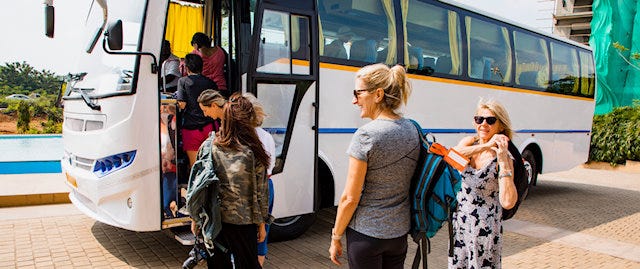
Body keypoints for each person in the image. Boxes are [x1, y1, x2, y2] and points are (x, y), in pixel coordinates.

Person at [329, 63, 419, 268]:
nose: (354, 100)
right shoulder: (411, 129)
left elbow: (350, 198)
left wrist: (336, 236)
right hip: (398, 235)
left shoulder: (367, 135)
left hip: (366, 235)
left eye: (358, 93)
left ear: (378, 95)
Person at [192, 92, 271, 269]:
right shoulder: (253, 150)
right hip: (243, 222)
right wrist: (262, 223)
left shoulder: (208, 145)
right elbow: (260, 193)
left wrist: (196, 219)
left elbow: (199, 187)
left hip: (214, 221)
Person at [448, 99, 518, 268]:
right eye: (479, 119)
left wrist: (502, 160)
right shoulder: (469, 143)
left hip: (485, 228)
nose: (483, 124)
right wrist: (485, 146)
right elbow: (451, 157)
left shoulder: (504, 157)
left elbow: (508, 202)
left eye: (490, 120)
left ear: (500, 125)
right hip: (462, 223)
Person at [243, 93, 276, 266]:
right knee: (261, 237)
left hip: (250, 189)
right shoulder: (266, 136)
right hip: (267, 186)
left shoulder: (239, 138)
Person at [176, 53, 218, 168]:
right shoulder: (210, 82)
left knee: (194, 166)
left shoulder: (183, 81)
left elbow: (182, 105)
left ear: (187, 68)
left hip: (191, 128)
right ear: (201, 67)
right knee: (211, 163)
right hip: (210, 126)